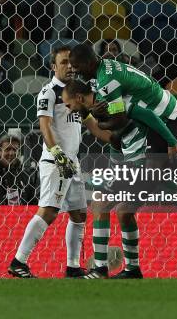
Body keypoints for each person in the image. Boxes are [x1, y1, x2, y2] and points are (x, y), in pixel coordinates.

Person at [69, 43, 177, 245]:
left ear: (88, 62)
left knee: (151, 172)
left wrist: (97, 116)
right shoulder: (104, 69)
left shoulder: (107, 81)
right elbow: (117, 121)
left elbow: (118, 121)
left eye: (77, 66)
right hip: (153, 112)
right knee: (151, 170)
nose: (76, 71)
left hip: (164, 115)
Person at [8, 45, 112, 278]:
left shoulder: (77, 93)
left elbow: (92, 126)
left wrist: (114, 137)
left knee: (78, 215)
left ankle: (73, 266)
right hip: (56, 162)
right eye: (64, 62)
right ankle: (18, 261)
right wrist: (58, 154)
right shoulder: (49, 92)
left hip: (72, 163)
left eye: (71, 63)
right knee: (49, 211)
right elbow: (44, 125)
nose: (69, 67)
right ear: (53, 66)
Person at [61, 78, 177, 279]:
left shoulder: (109, 101)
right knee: (118, 209)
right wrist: (86, 114)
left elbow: (116, 134)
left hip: (143, 158)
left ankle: (102, 269)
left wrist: (170, 141)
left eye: (68, 104)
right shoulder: (99, 102)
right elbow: (110, 136)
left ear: (79, 97)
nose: (67, 109)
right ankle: (128, 269)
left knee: (107, 206)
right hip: (127, 160)